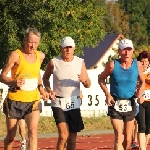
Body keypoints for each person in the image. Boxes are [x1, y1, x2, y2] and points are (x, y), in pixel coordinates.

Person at [0, 28, 49, 150]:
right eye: (30, 42)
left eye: (36, 43)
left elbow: (36, 72)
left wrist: (41, 88)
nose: (33, 46)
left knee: (32, 133)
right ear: (24, 41)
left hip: (33, 101)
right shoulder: (15, 55)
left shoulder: (40, 56)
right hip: (15, 100)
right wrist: (13, 82)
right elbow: (2, 76)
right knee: (11, 137)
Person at [42, 36, 91, 150]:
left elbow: (88, 84)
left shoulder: (80, 62)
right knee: (64, 135)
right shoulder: (54, 62)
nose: (68, 50)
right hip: (58, 102)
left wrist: (85, 80)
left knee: (72, 140)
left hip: (74, 102)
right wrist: (49, 90)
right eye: (65, 47)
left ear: (74, 48)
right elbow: (45, 78)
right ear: (61, 48)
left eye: (70, 47)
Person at [98, 39, 145, 150]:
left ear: (132, 50)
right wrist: (107, 94)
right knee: (119, 136)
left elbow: (142, 82)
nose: (127, 53)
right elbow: (101, 79)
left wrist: (140, 93)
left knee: (128, 139)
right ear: (119, 51)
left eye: (129, 50)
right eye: (124, 50)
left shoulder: (137, 65)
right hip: (115, 103)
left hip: (130, 102)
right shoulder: (112, 65)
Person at [136, 51, 150, 150]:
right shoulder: (135, 71)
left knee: (148, 127)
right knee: (141, 125)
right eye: (142, 61)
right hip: (139, 101)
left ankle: (144, 146)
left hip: (149, 101)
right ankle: (142, 148)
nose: (144, 63)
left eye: (146, 61)